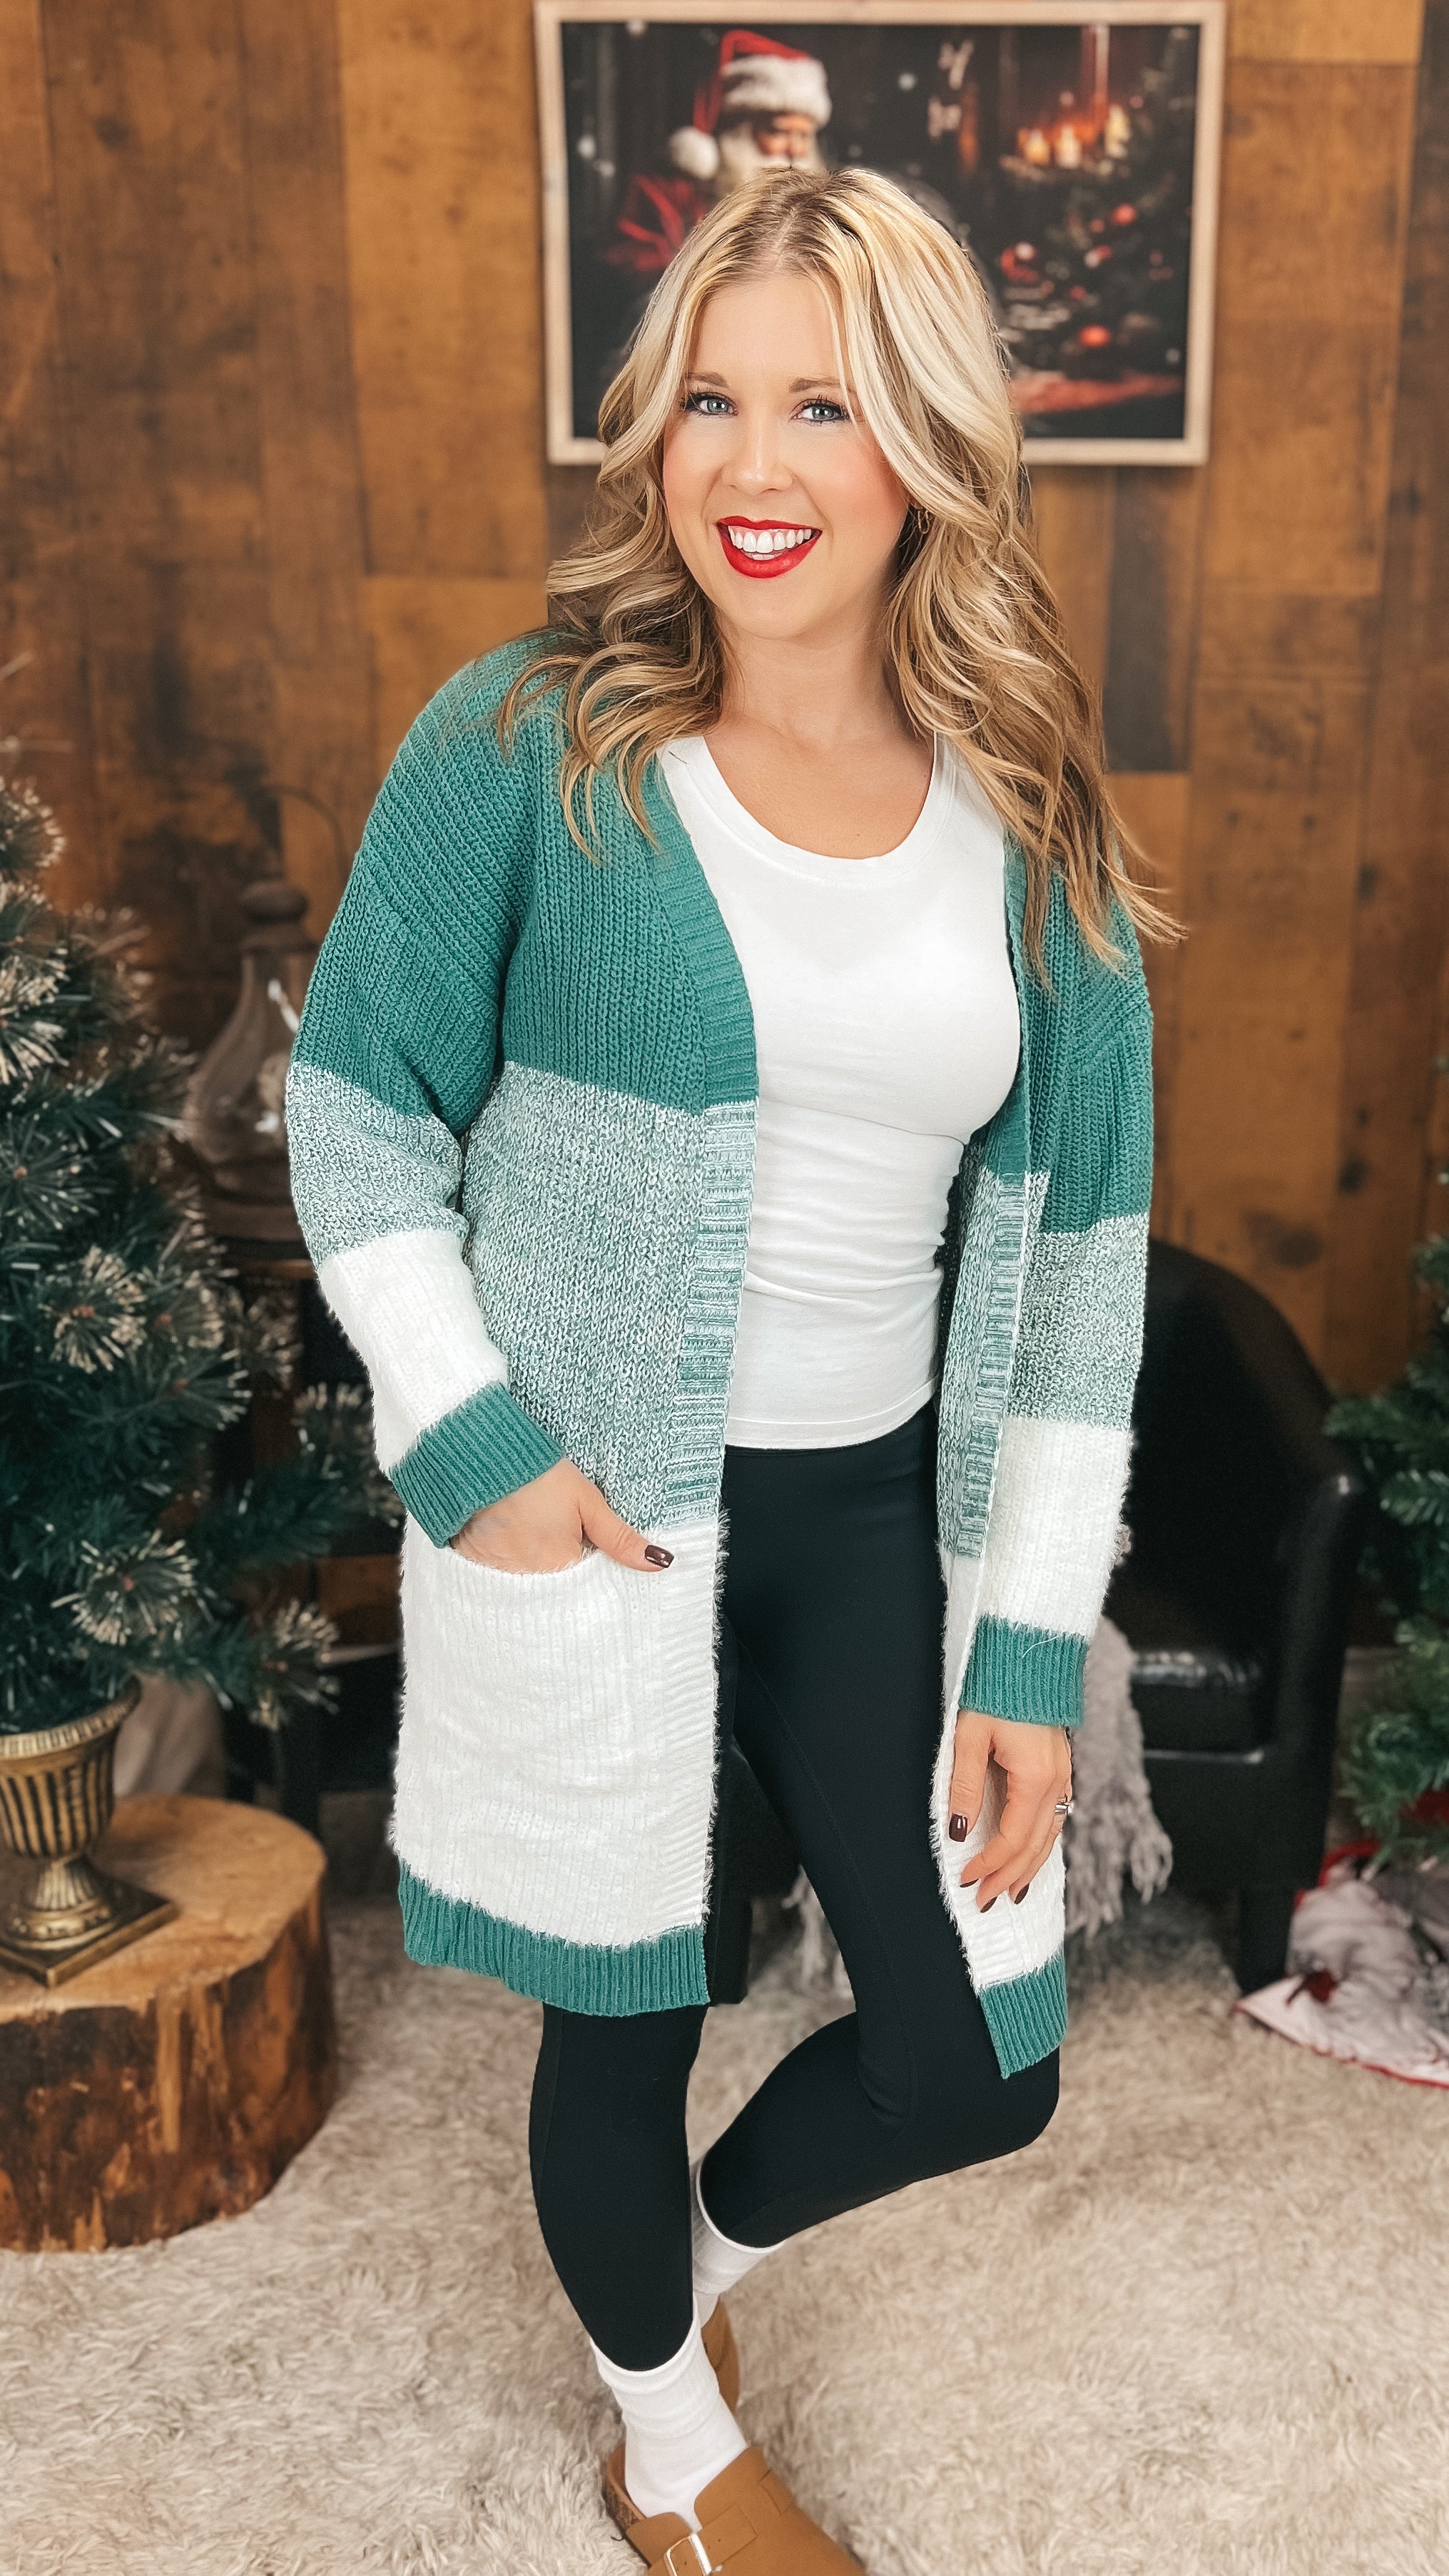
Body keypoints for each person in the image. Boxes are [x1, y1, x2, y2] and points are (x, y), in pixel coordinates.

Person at [287, 167, 1164, 2576]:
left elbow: (1081, 1278)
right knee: (626, 2012)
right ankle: (670, 2451)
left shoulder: (1029, 815)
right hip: (597, 1509)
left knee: (969, 2062)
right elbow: (353, 1101)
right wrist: (473, 1437)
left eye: (824, 408)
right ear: (650, 429)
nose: (752, 468)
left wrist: (1025, 1641)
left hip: (881, 1519)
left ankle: (660, 2304)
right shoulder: (531, 743)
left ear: (927, 449)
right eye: (708, 400)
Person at [606, 29, 831, 282]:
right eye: (779, 132)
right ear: (740, 131)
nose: (795, 150)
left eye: (804, 136)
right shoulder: (666, 190)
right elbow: (635, 270)